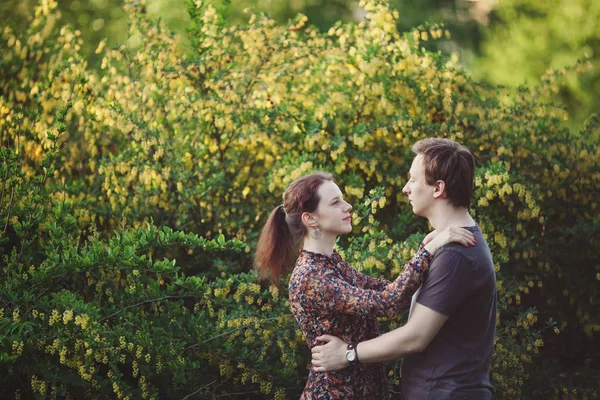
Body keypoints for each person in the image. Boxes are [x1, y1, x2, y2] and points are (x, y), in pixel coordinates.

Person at [254, 171, 476, 399]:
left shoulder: (330, 263)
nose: (347, 206)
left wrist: (428, 252)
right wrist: (429, 251)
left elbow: (386, 289)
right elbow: (388, 303)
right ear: (310, 219)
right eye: (335, 202)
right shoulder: (312, 277)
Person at [311, 138, 497, 399]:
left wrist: (348, 353)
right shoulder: (446, 242)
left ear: (438, 189)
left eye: (413, 180)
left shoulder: (456, 254)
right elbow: (390, 294)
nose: (406, 188)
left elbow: (415, 337)